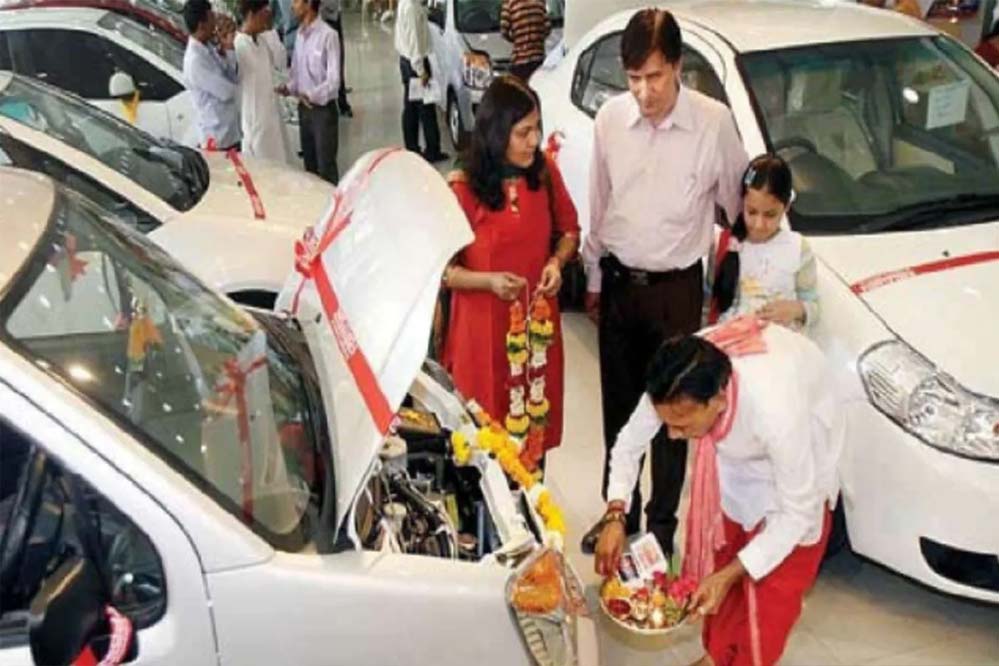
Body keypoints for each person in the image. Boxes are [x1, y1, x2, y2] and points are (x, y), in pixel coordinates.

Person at [580, 8, 748, 556]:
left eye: (654, 77)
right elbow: (599, 204)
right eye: (633, 78)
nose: (643, 92)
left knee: (675, 413)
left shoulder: (713, 123)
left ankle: (661, 527)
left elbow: (737, 209)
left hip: (677, 289)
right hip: (620, 283)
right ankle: (618, 514)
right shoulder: (610, 120)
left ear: (677, 66)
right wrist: (593, 276)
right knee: (619, 407)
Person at [594, 320, 842, 666]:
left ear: (719, 400)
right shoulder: (678, 377)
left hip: (803, 460)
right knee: (724, 556)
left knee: (770, 599)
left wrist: (729, 576)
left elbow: (796, 514)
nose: (674, 436)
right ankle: (717, 657)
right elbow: (628, 445)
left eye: (682, 424)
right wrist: (615, 514)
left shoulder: (776, 411)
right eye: (667, 423)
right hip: (738, 463)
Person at [442, 76, 579, 470]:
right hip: (481, 333)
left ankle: (536, 505)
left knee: (533, 430)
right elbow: (444, 272)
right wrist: (489, 282)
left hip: (536, 327)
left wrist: (555, 263)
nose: (533, 141)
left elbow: (569, 231)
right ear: (497, 132)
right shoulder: (464, 186)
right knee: (485, 443)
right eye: (522, 132)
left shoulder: (544, 172)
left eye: (537, 128)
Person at [707, 155, 819, 331]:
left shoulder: (798, 248)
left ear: (786, 207)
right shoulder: (724, 244)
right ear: (742, 203)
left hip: (781, 342)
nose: (759, 224)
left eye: (770, 215)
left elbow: (813, 305)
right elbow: (708, 305)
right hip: (732, 341)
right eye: (751, 212)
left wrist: (797, 309)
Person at [279, 0, 341, 183]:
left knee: (326, 168)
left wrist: (311, 95)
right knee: (310, 167)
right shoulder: (299, 35)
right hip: (304, 110)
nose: (292, 6)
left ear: (308, 4)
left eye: (296, 1)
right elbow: (296, 73)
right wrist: (288, 87)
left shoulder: (329, 36)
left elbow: (334, 81)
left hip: (323, 112)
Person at [234, 0, 293, 163]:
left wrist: (271, 32)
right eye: (263, 14)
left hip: (272, 117)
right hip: (255, 123)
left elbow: (280, 62)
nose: (267, 17)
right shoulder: (238, 46)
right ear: (251, 14)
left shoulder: (262, 41)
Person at [182, 0, 241, 151]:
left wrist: (228, 49)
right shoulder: (195, 61)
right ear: (202, 25)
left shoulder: (208, 47)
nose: (215, 24)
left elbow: (232, 73)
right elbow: (227, 92)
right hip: (218, 138)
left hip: (231, 131)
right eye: (212, 19)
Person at [395, 0, 448, 163]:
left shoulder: (408, 4)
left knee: (411, 107)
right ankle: (432, 150)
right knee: (426, 109)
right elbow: (414, 43)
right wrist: (421, 71)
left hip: (407, 62)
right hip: (415, 65)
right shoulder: (411, 8)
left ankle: (412, 148)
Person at [500, 0, 551, 82]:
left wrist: (516, 40)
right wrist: (538, 38)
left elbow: (504, 31)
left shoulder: (509, 3)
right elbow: (547, 27)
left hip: (520, 60)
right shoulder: (540, 2)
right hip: (538, 58)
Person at [320, 0, 354, 116]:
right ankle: (328, 102)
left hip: (333, 13)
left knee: (338, 61)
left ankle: (341, 102)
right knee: (324, 63)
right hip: (321, 15)